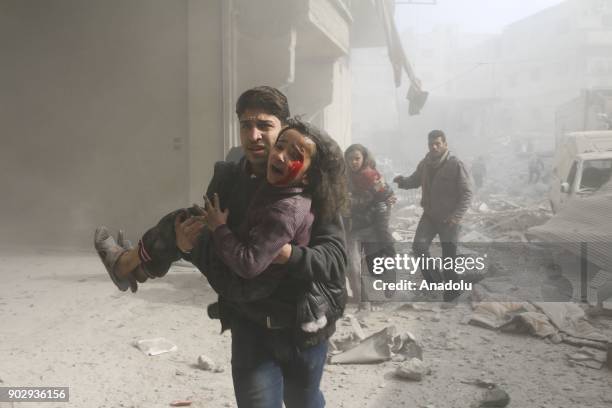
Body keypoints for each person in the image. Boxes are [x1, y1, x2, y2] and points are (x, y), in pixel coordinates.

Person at [94, 86, 347, 408]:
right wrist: (188, 240)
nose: (253, 135)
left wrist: (287, 254)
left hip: (301, 324)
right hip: (250, 320)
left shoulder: (309, 183)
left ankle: (130, 266)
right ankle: (130, 265)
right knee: (182, 222)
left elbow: (337, 259)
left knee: (304, 401)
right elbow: (212, 229)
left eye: (264, 126)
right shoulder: (229, 176)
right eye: (245, 125)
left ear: (283, 127)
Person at [393, 130, 472, 302]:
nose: (434, 147)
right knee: (419, 247)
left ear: (445, 144)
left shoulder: (456, 164)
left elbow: (467, 193)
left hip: (449, 219)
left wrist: (456, 216)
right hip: (429, 216)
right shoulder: (425, 163)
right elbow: (415, 180)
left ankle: (452, 291)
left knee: (448, 257)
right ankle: (435, 282)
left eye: (438, 143)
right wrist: (402, 181)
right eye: (431, 144)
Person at [344, 144, 396, 308]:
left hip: (371, 227)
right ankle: (363, 301)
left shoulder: (370, 175)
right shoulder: (343, 177)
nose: (354, 162)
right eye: (350, 159)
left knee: (375, 267)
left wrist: (387, 198)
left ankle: (390, 277)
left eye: (357, 158)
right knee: (352, 268)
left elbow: (387, 194)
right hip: (353, 230)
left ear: (363, 158)